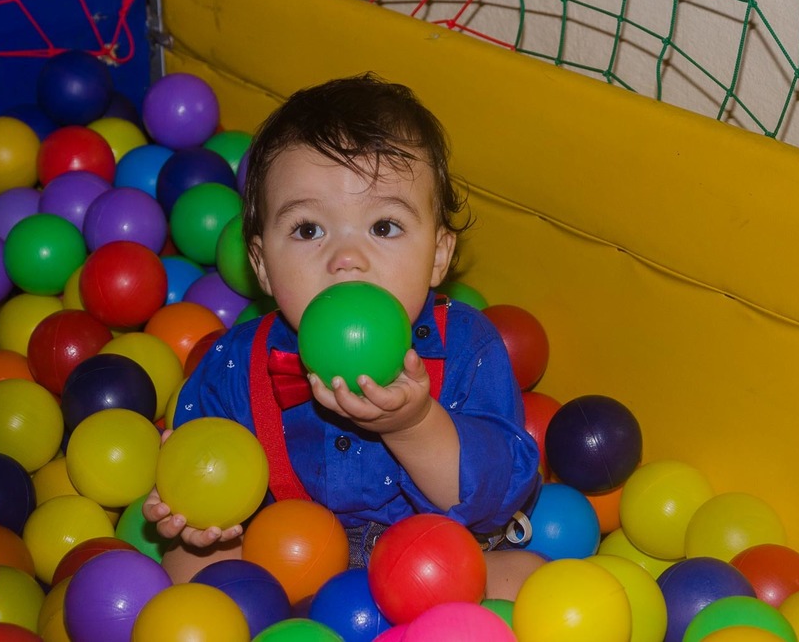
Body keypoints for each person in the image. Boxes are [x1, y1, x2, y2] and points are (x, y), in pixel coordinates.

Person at [144, 72, 543, 599]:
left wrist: (416, 424)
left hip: (431, 562)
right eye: (308, 230)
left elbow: (499, 496)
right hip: (284, 557)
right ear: (262, 265)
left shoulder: (469, 347)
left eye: (384, 226)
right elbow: (201, 464)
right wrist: (193, 506)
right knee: (189, 564)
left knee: (532, 580)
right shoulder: (236, 362)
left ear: (438, 255)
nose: (347, 258)